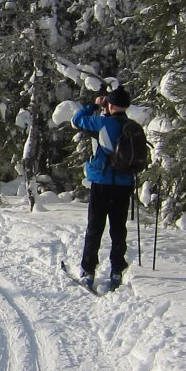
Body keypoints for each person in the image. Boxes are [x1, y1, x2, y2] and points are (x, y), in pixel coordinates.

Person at [71, 85, 136, 292]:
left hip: (102, 183)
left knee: (95, 228)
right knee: (118, 229)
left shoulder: (103, 123)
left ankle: (88, 271)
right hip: (124, 185)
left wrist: (94, 105)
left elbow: (77, 120)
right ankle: (116, 271)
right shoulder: (134, 127)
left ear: (110, 104)